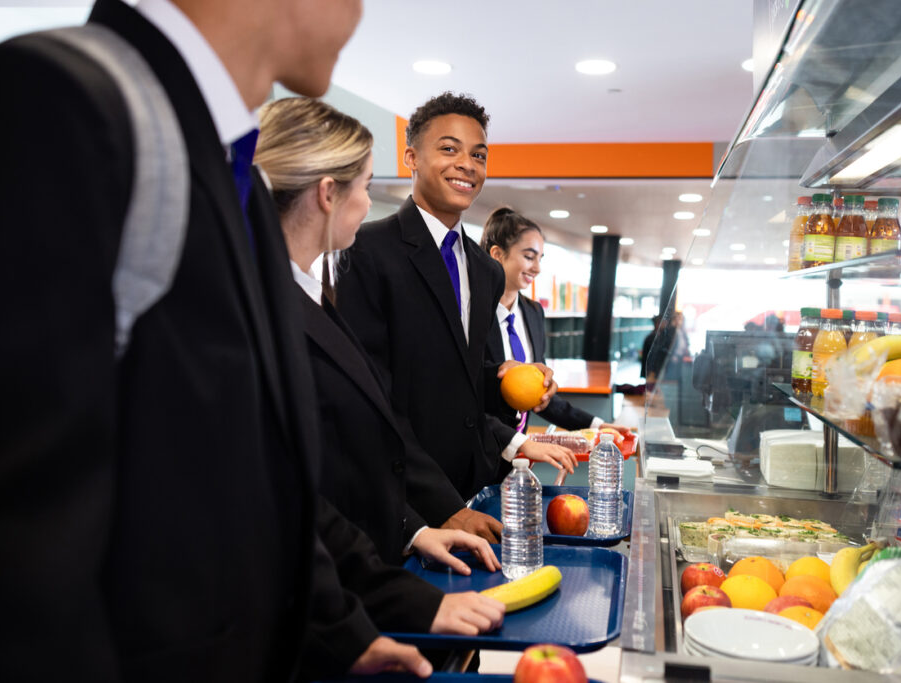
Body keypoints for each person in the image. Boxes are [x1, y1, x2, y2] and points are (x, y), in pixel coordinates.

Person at [0, 0, 429, 680]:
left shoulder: (237, 182)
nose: (359, 13)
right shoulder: (61, 103)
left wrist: (339, 631)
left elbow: (256, 472)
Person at [254, 97, 505, 638]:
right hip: (306, 604)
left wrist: (412, 532)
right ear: (327, 194)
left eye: (479, 153)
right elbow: (295, 486)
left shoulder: (310, 296)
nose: (369, 203)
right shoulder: (269, 308)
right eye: (366, 186)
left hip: (373, 557)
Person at [333, 92, 576, 502]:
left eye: (479, 155)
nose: (467, 164)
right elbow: (369, 400)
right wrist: (442, 507)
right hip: (401, 500)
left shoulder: (486, 270)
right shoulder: (366, 251)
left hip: (475, 488)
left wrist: (516, 382)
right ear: (411, 157)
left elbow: (466, 385)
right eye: (449, 149)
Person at [481, 207, 632, 447]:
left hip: (516, 459)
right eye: (529, 257)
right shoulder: (471, 315)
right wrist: (517, 444)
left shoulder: (532, 313)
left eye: (540, 259)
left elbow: (539, 396)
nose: (537, 268)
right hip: (478, 454)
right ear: (497, 254)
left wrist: (595, 425)